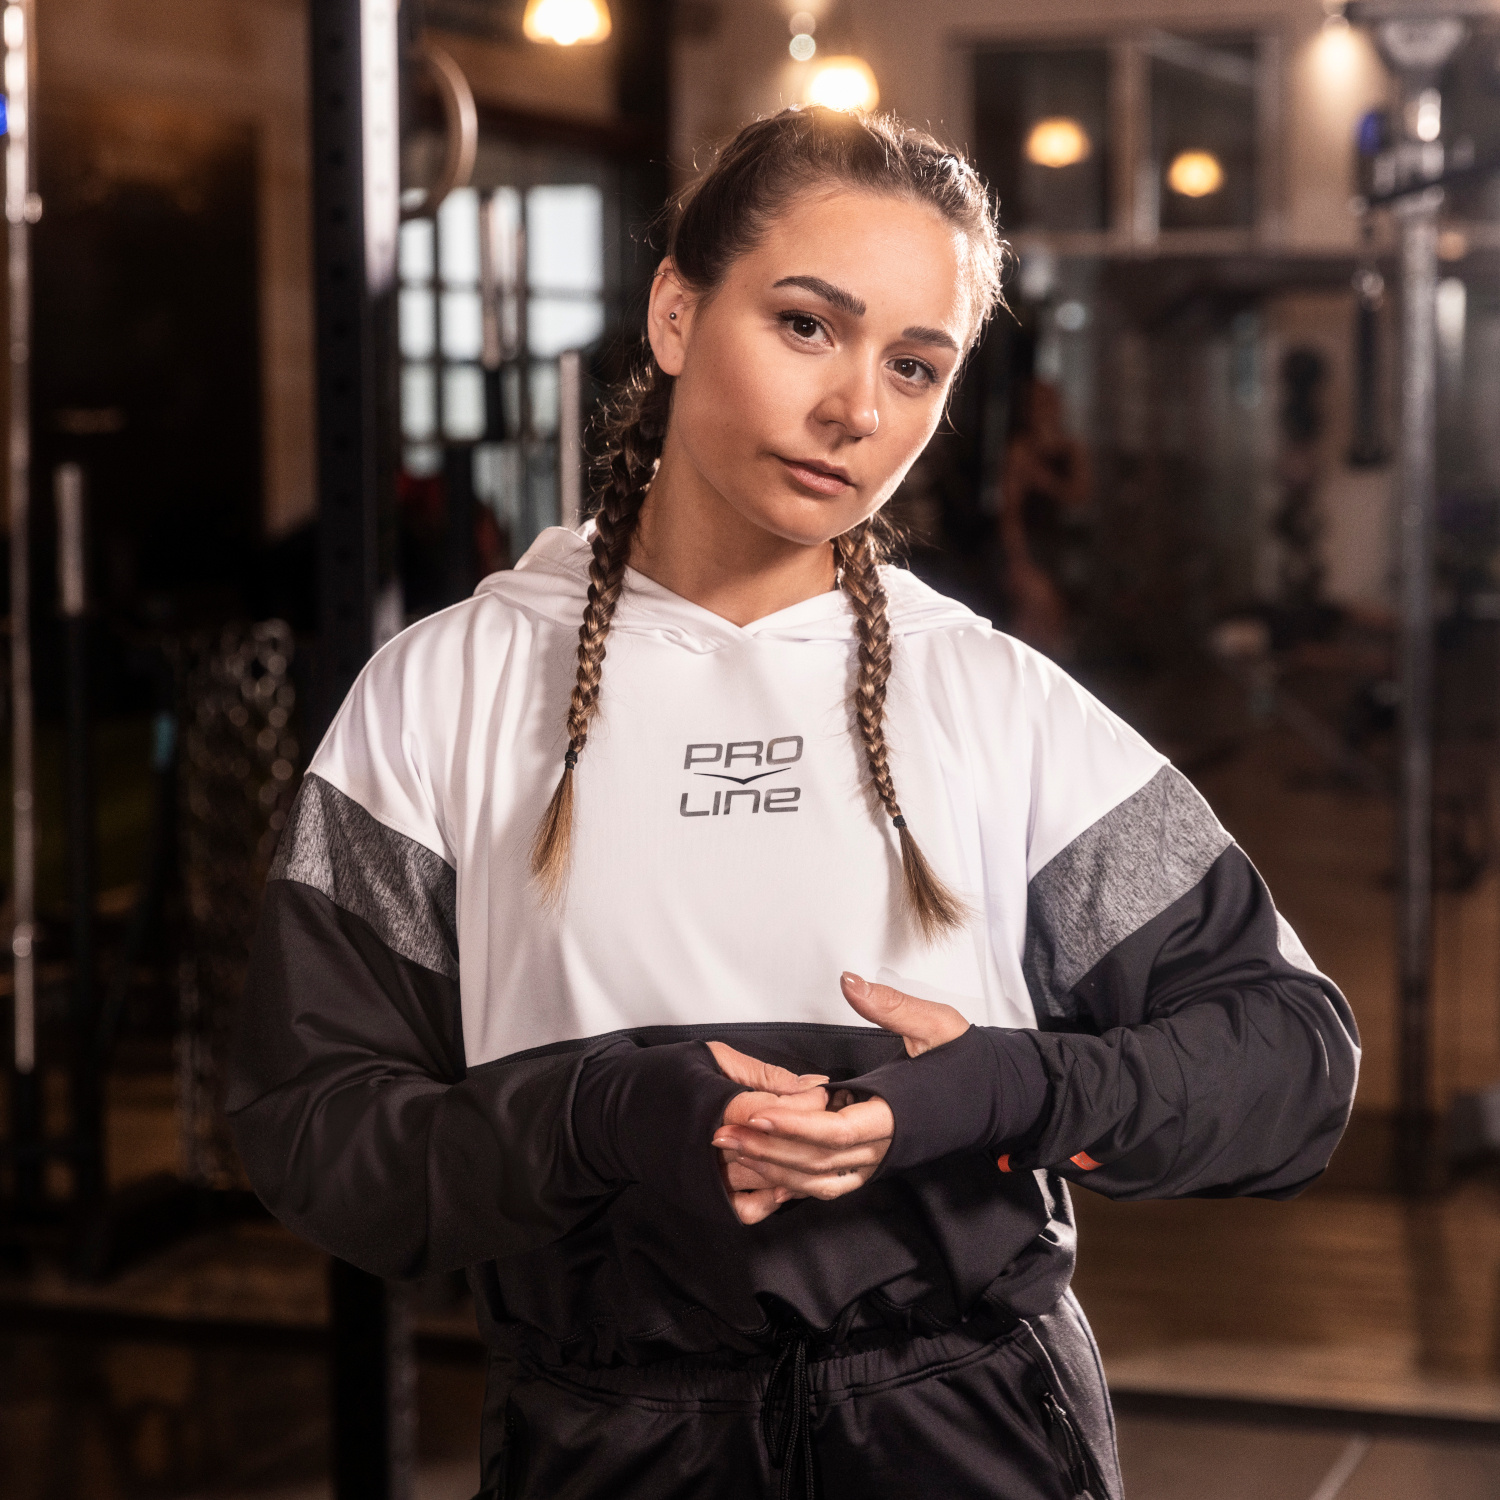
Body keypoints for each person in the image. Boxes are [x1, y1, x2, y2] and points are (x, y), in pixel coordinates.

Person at [229, 108, 1358, 1500]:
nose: (857, 412)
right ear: (674, 311)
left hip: (972, 1437)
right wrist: (601, 1123)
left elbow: (1291, 1064)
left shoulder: (995, 701)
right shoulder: (439, 693)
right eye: (808, 325)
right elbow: (309, 1124)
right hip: (611, 1441)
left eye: (915, 364)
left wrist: (1009, 1089)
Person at [1000, 376, 1092, 657]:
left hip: (1060, 545)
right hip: (1030, 543)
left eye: (1048, 401)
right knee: (1030, 617)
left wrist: (1045, 481)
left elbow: (1081, 494)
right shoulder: (1021, 449)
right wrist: (1017, 559)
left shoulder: (1070, 448)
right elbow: (1010, 512)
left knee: (1054, 621)